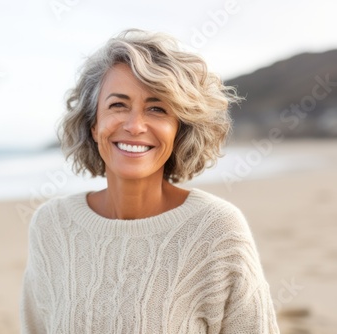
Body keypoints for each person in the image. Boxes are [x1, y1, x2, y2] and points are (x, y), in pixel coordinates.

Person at [20, 29, 280, 333]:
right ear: (93, 124)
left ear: (179, 129)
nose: (135, 126)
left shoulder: (217, 229)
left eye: (157, 109)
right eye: (118, 105)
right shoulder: (51, 226)